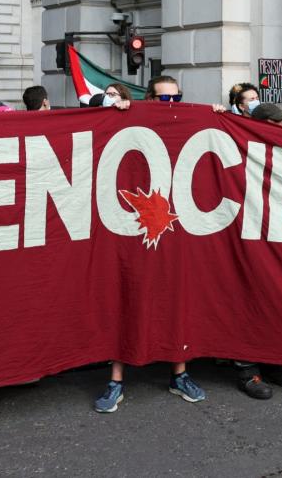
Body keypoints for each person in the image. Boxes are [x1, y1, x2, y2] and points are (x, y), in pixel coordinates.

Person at [93, 75, 207, 413]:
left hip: (176, 227)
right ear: (150, 99)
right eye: (163, 99)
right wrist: (121, 108)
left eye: (177, 98)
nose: (170, 105)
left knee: (176, 298)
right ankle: (115, 381)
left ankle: (179, 374)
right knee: (126, 296)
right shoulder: (129, 118)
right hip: (131, 227)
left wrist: (219, 112)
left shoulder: (190, 122)